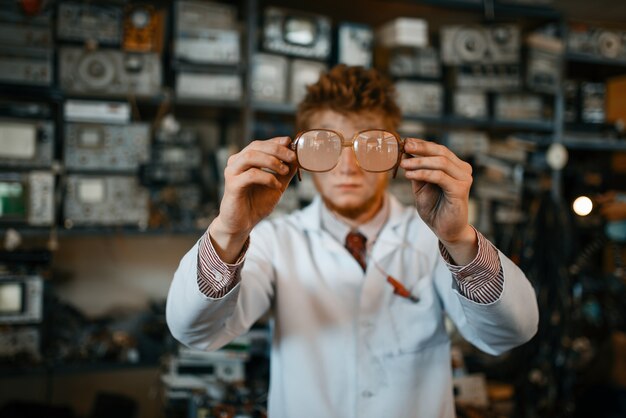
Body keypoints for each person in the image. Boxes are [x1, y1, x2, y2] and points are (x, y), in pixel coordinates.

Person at [166, 65, 539, 418]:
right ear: (298, 155)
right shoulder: (275, 240)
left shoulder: (434, 239)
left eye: (371, 144)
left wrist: (458, 238)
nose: (348, 166)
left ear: (397, 156)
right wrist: (230, 230)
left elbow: (512, 330)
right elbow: (196, 331)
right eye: (325, 145)